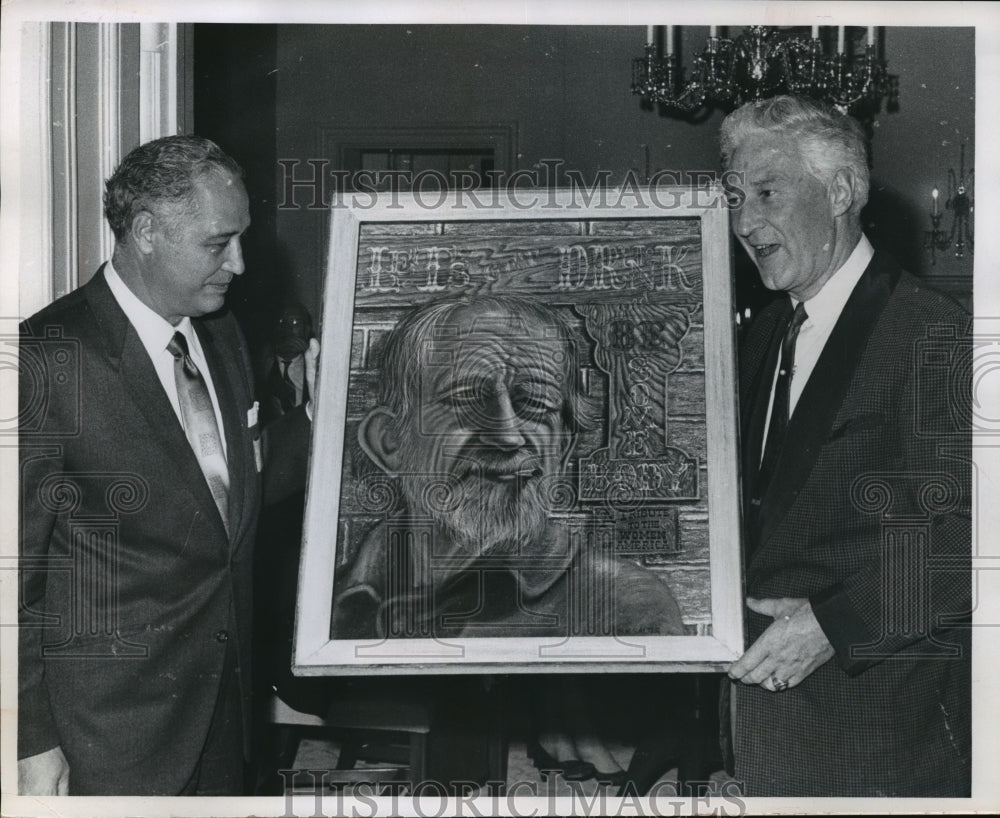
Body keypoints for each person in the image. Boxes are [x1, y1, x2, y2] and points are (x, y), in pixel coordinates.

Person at [17, 135, 315, 796]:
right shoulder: (48, 357)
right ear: (147, 232)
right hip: (111, 734)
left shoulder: (222, 332)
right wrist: (31, 741)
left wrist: (318, 418)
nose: (238, 263)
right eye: (217, 243)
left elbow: (228, 509)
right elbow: (18, 580)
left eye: (241, 239)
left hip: (225, 713)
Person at [721, 95, 971, 796]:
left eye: (767, 192)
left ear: (841, 190)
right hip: (763, 730)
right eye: (735, 196)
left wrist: (835, 625)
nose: (744, 222)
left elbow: (973, 539)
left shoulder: (932, 332)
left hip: (879, 734)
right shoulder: (763, 333)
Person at [333, 293, 686, 783]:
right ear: (390, 442)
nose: (507, 436)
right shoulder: (335, 599)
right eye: (468, 403)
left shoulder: (624, 605)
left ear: (563, 444)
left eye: (535, 406)